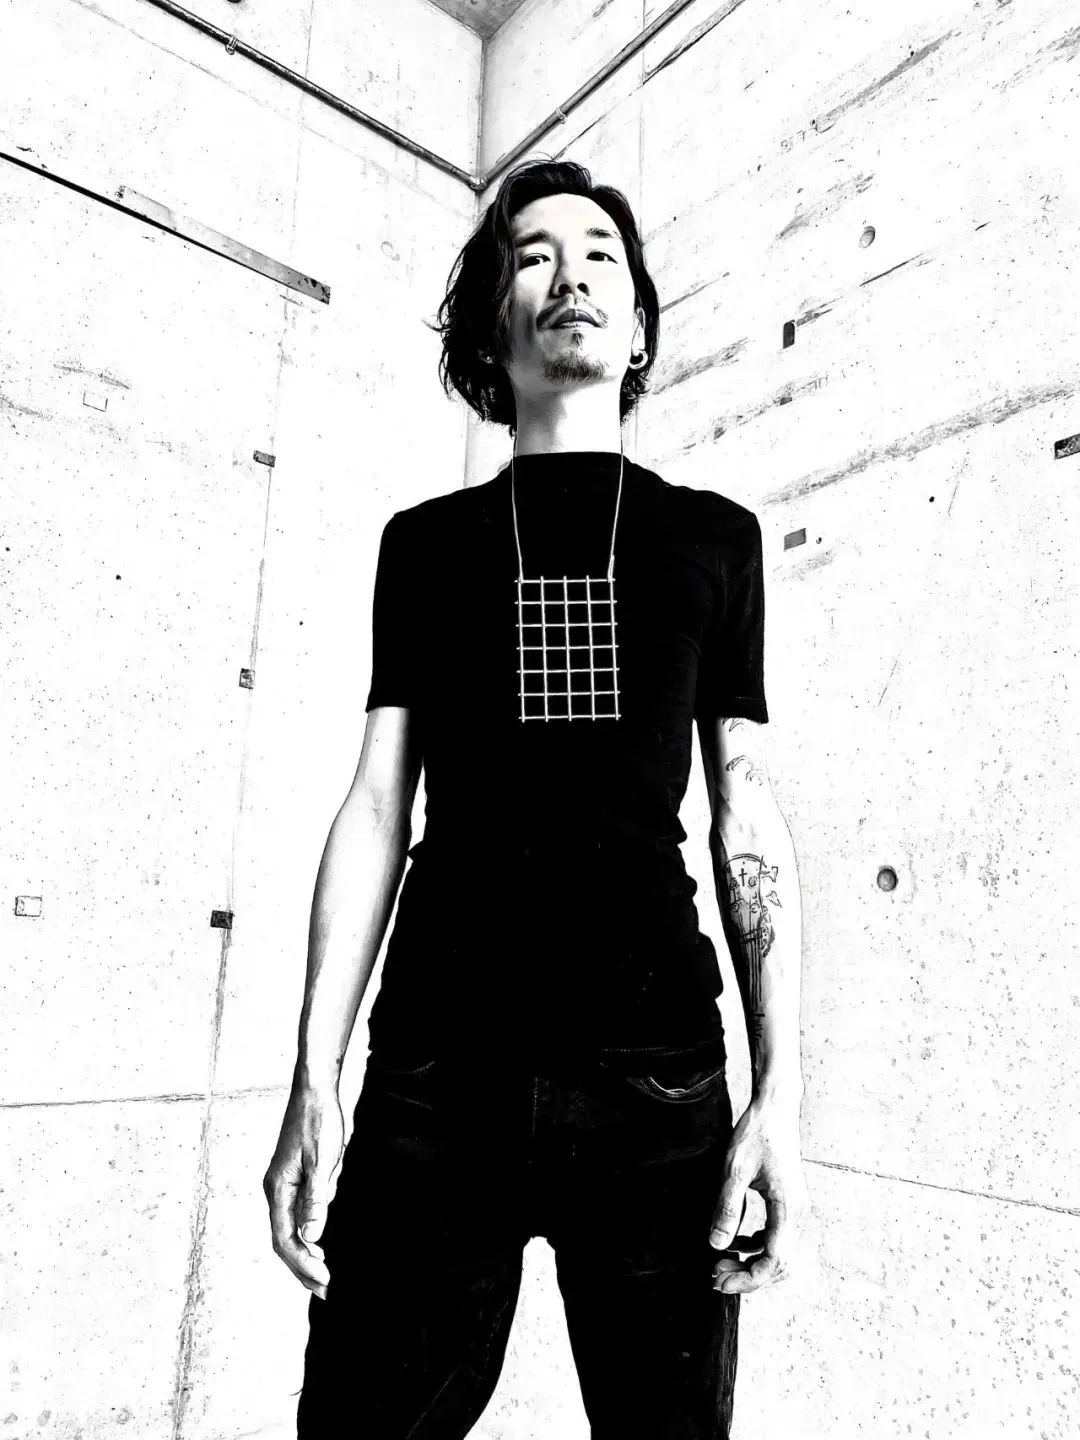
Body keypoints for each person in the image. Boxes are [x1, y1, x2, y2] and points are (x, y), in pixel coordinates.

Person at [264, 158, 809, 1439]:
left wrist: (780, 1091)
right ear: (490, 332)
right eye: (533, 255)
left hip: (659, 1080)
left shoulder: (715, 539)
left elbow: (746, 812)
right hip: (436, 1076)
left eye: (601, 254)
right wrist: (313, 1073)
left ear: (638, 330)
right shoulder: (425, 544)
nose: (571, 275)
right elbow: (376, 805)